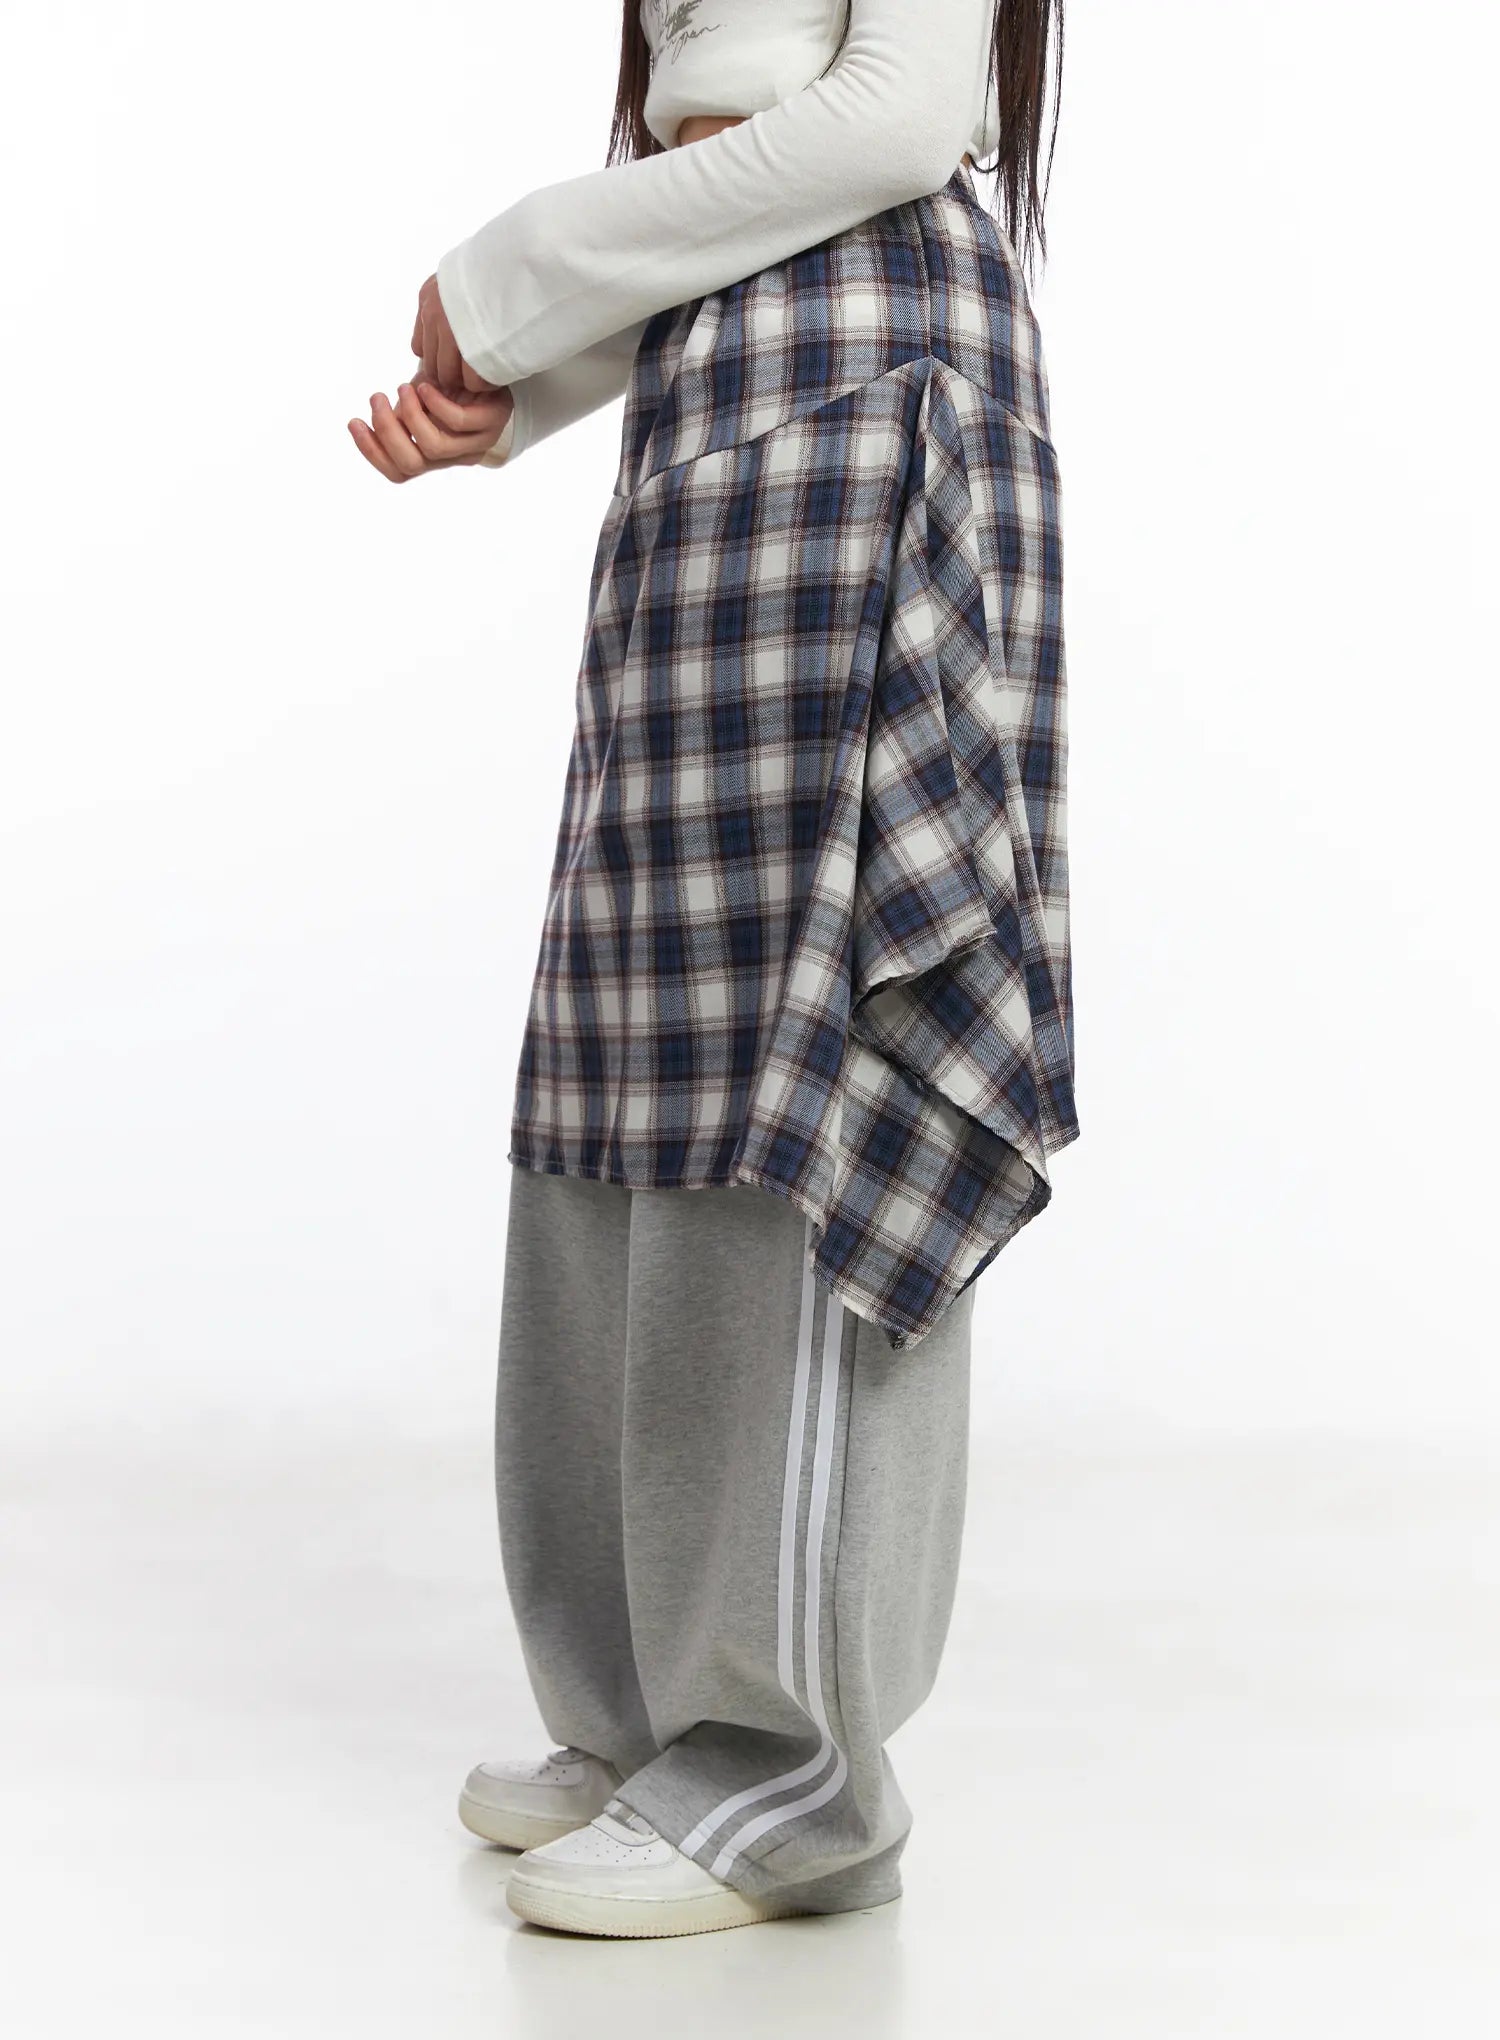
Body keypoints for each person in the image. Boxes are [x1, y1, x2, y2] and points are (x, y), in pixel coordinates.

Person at [348, 0, 1076, 1940]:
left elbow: (893, 120)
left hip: (870, 380)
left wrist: (512, 277)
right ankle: (650, 1715)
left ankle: (793, 1767)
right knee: (644, 1041)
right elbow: (727, 161)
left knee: (813, 1051)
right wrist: (534, 378)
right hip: (722, 388)